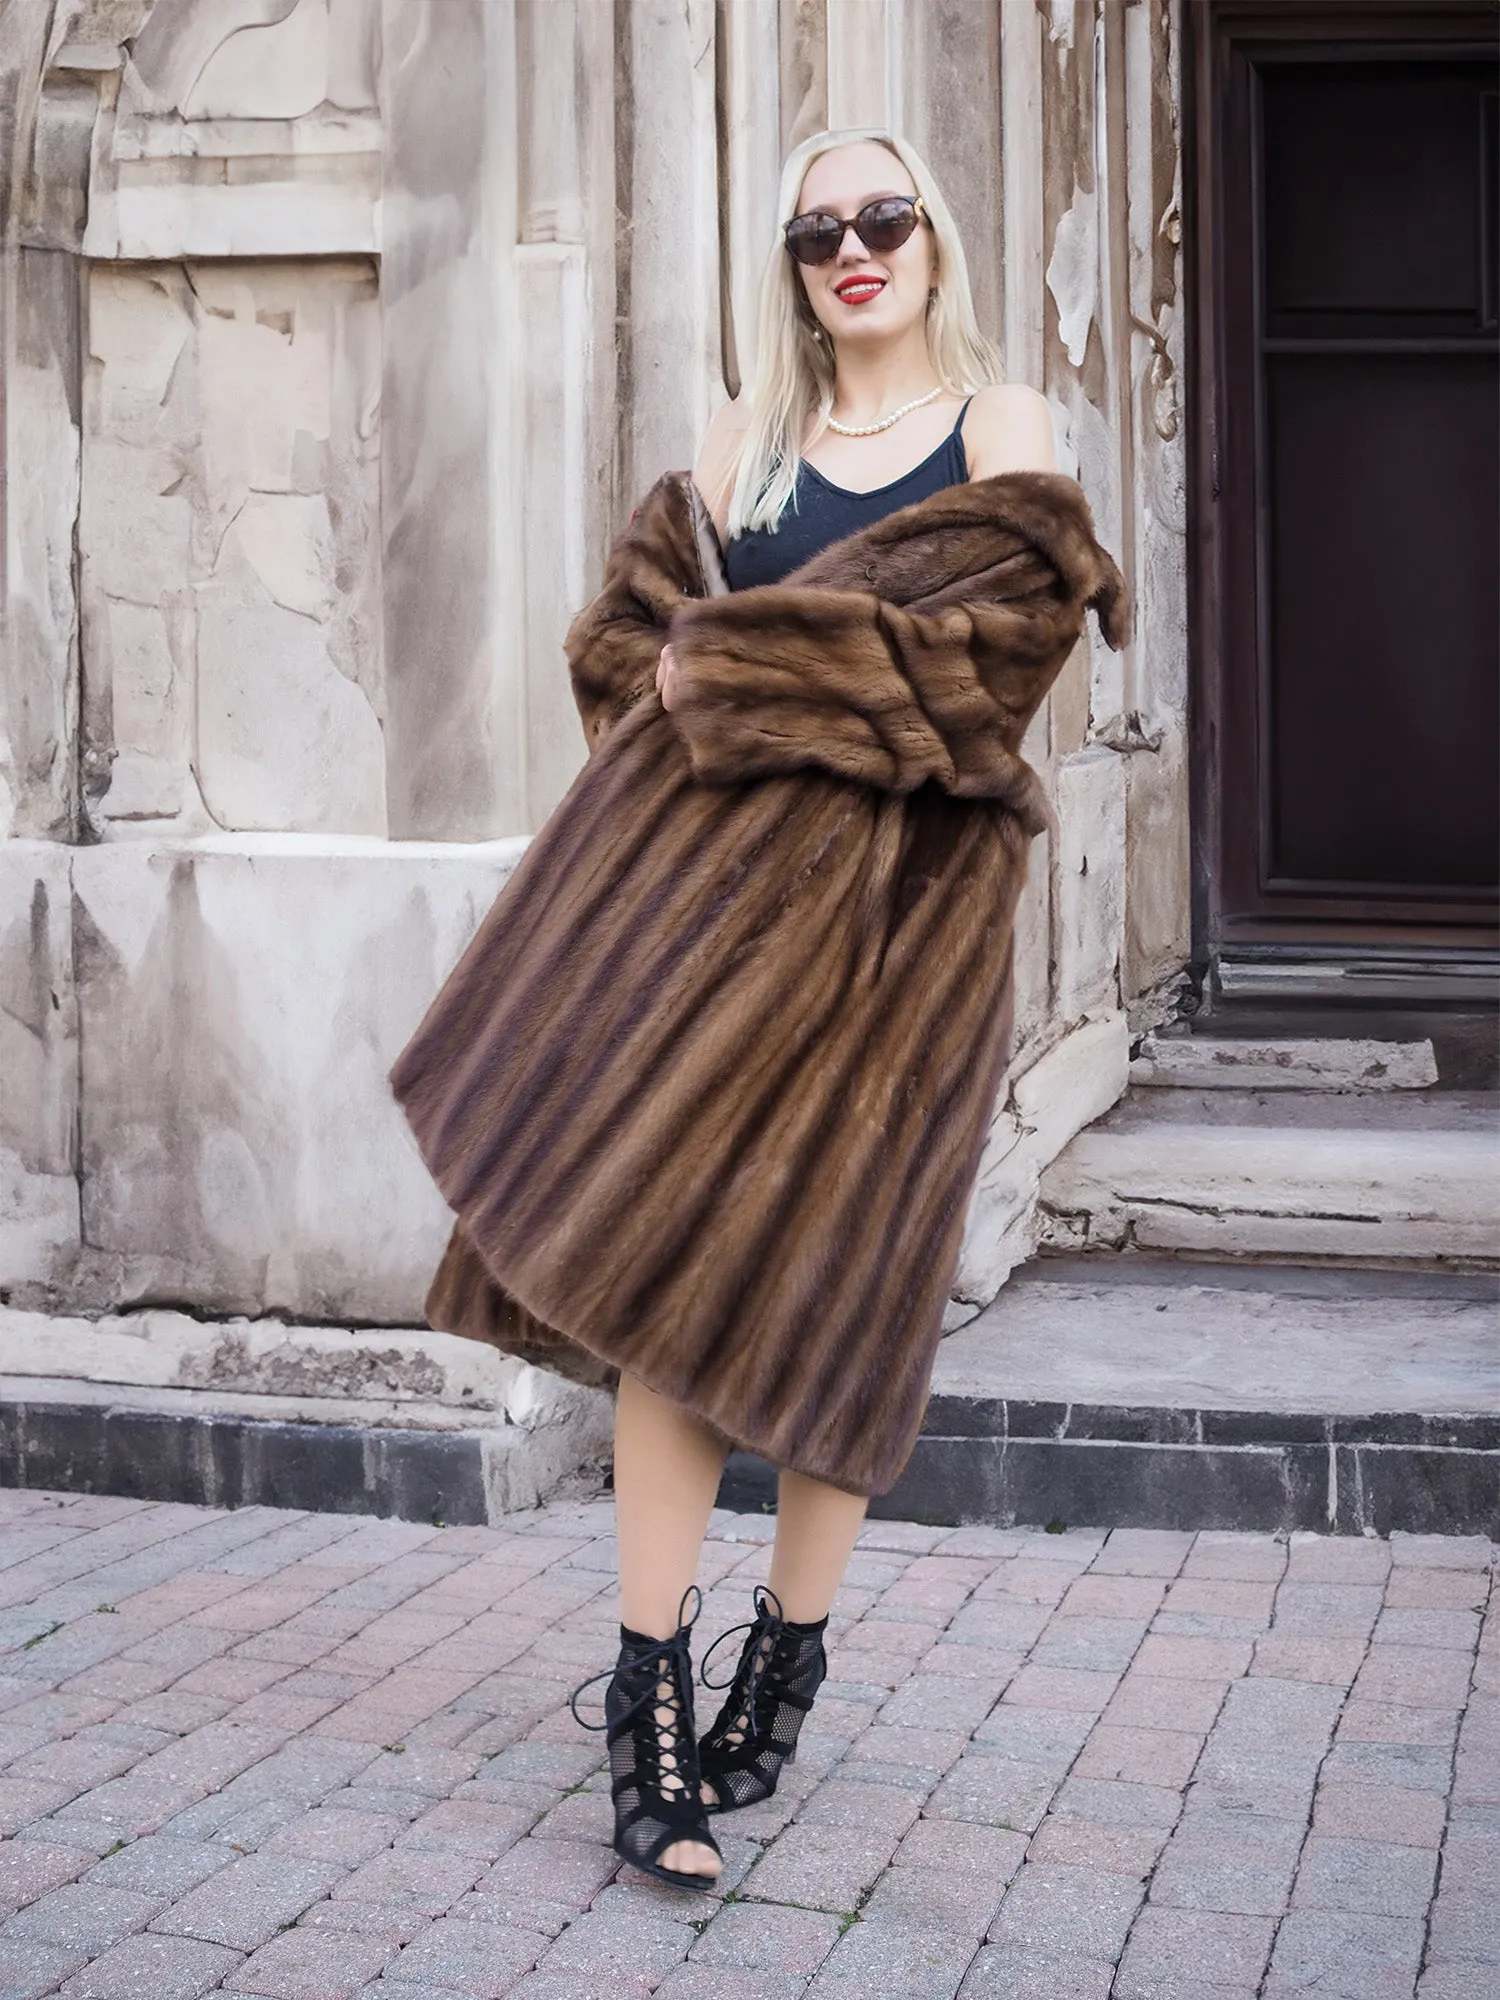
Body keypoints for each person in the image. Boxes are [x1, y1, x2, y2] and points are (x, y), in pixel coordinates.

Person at [389, 127, 1125, 1895]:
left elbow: (984, 674)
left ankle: (783, 1663)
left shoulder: (1004, 429)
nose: (852, 250)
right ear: (791, 265)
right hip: (721, 945)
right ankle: (646, 1709)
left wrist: (732, 666)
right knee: (673, 1289)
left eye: (884, 219)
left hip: (911, 941)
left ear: (935, 243)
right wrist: (734, 695)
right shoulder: (745, 443)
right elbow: (624, 660)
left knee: (840, 1310)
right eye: (818, 231)